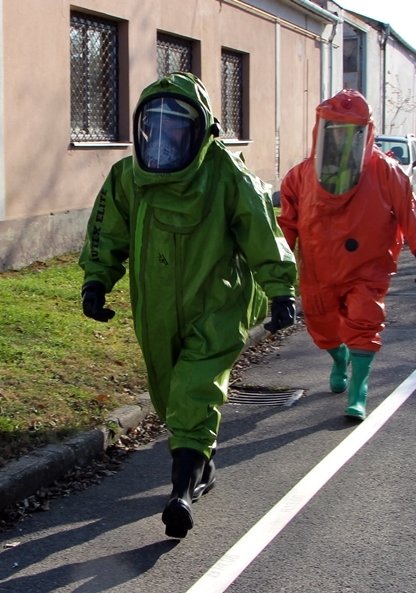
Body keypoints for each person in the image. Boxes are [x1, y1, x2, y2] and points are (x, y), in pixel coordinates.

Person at [78, 72, 298, 539]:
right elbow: (107, 233)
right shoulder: (128, 177)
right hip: (155, 305)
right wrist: (96, 281)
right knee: (169, 394)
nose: (163, 136)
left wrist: (281, 290)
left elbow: (263, 234)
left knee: (195, 388)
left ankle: (179, 493)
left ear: (200, 129)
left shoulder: (228, 175)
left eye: (176, 125)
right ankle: (204, 463)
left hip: (217, 302)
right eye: (154, 126)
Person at [277, 89, 416, 421]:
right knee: (322, 325)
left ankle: (358, 390)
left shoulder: (385, 171)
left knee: (365, 320)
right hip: (319, 267)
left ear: (366, 132)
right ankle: (338, 357)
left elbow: (408, 207)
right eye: (335, 131)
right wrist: (276, 262)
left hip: (368, 265)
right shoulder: (301, 177)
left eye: (353, 132)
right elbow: (287, 223)